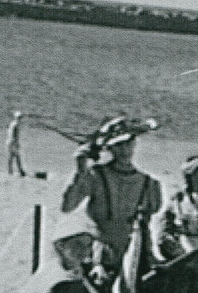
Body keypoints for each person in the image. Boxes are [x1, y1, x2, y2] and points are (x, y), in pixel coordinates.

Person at [61, 116, 162, 278]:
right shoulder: (96, 176)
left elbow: (147, 223)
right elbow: (67, 206)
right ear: (110, 148)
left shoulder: (148, 183)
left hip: (136, 253)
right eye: (118, 146)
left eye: (128, 144)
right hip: (100, 254)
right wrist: (80, 171)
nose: (124, 150)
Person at [7, 110, 26, 176]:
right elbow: (15, 135)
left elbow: (10, 134)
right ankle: (20, 171)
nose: (20, 119)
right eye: (20, 117)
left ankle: (10, 171)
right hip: (12, 142)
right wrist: (16, 143)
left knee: (12, 156)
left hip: (9, 142)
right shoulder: (16, 125)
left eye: (20, 117)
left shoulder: (12, 123)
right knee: (17, 156)